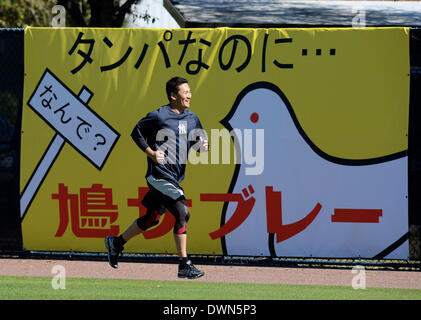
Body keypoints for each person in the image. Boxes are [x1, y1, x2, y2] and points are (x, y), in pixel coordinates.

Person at [105, 76, 208, 279]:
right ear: (173, 96)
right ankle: (184, 264)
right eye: (185, 91)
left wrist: (202, 145)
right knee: (182, 212)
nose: (189, 94)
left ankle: (116, 243)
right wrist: (151, 153)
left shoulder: (192, 118)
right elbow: (136, 132)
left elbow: (198, 141)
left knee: (152, 219)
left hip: (174, 177)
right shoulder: (159, 116)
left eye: (189, 91)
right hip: (159, 175)